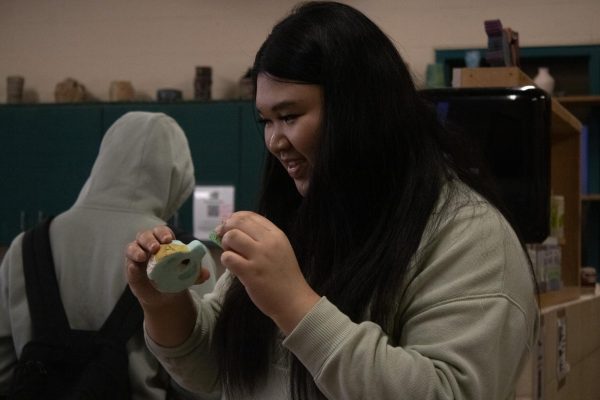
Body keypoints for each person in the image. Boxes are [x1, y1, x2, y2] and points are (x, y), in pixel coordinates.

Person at [125, 2, 539, 399]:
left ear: (359, 111)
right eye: (265, 121)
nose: (274, 142)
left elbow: (447, 391)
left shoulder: (470, 237)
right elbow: (215, 371)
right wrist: (164, 306)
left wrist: (295, 305)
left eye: (289, 117)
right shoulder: (300, 212)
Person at [0, 111, 218, 399]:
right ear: (178, 178)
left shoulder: (24, 247)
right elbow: (200, 381)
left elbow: (3, 368)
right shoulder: (186, 259)